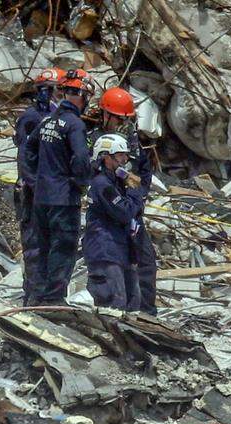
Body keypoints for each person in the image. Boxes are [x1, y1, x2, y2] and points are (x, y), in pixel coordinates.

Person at [23, 68, 94, 305]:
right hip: (63, 199)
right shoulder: (74, 125)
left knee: (41, 248)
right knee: (62, 249)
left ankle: (36, 298)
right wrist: (80, 182)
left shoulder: (47, 122)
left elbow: (27, 150)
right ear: (82, 96)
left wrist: (36, 178)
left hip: (40, 198)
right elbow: (82, 159)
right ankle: (53, 300)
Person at [92, 87, 157, 314]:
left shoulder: (132, 144)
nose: (121, 124)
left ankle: (147, 313)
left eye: (125, 120)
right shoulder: (98, 142)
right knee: (113, 267)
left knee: (145, 263)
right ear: (106, 115)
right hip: (111, 212)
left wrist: (138, 194)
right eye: (118, 119)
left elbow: (144, 173)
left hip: (131, 210)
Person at [14, 67, 60, 306]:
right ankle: (34, 299)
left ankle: (45, 297)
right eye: (53, 91)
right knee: (35, 245)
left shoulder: (56, 120)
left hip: (49, 191)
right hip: (32, 192)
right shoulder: (32, 118)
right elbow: (25, 156)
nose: (56, 97)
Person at [83, 134, 143, 311]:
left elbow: (135, 211)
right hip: (105, 250)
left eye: (125, 155)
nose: (124, 160)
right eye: (120, 156)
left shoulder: (116, 183)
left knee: (133, 302)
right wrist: (134, 192)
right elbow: (124, 212)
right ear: (106, 157)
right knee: (114, 304)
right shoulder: (102, 184)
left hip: (119, 249)